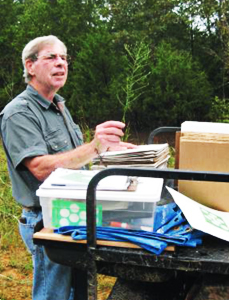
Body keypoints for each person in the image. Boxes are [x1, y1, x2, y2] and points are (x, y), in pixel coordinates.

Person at [0, 35, 136, 300]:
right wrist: (95, 145)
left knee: (78, 292)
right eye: (51, 57)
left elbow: (73, 160)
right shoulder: (19, 113)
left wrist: (110, 151)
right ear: (30, 66)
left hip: (73, 213)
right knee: (55, 295)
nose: (60, 63)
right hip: (46, 221)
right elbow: (39, 167)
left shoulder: (59, 105)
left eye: (64, 58)